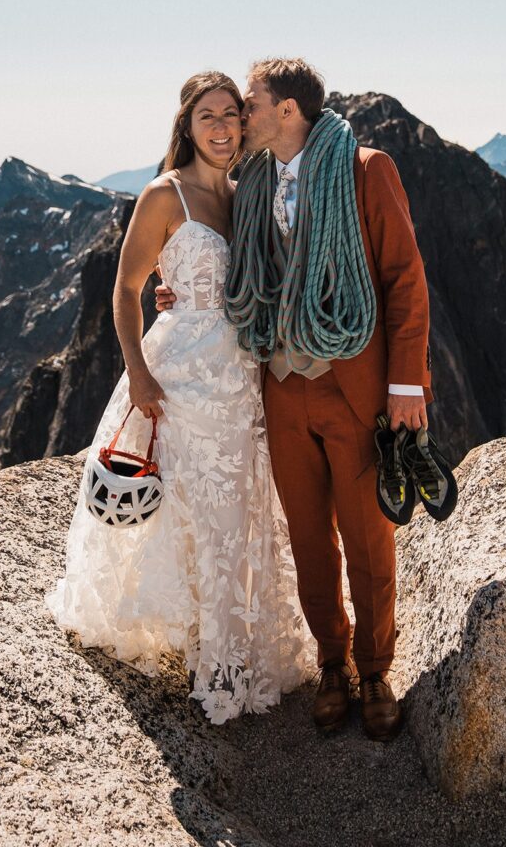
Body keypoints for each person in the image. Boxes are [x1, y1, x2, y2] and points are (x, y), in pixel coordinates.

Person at [156, 58, 432, 740]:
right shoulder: (250, 180)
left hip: (352, 388)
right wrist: (176, 294)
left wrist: (406, 386)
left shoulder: (366, 169)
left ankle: (374, 669)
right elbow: (234, 262)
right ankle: (331, 663)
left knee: (368, 536)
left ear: (285, 111)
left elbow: (403, 277)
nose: (239, 117)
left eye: (248, 103)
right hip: (279, 385)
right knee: (308, 537)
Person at [45, 71, 312, 725]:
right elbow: (126, 288)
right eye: (206, 116)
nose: (220, 126)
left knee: (240, 510)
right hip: (181, 378)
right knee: (201, 514)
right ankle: (214, 662)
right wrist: (137, 371)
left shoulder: (244, 190)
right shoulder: (165, 196)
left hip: (242, 378)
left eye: (229, 114)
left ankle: (234, 649)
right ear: (186, 127)